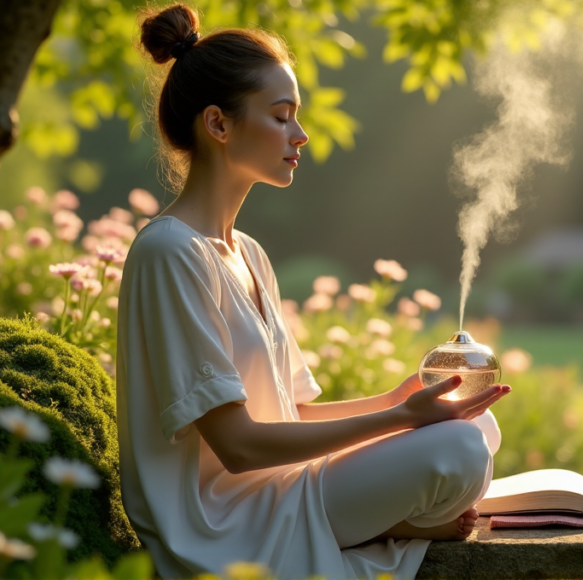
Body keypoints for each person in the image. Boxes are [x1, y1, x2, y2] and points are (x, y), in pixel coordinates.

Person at [116, 3, 510, 579]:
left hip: (285, 487)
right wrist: (402, 419)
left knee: (476, 425)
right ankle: (389, 524)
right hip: (230, 523)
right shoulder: (169, 252)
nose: (299, 135)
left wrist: (394, 400)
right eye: (280, 117)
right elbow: (241, 447)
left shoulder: (247, 253)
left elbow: (291, 413)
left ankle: (389, 519)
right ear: (218, 124)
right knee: (458, 450)